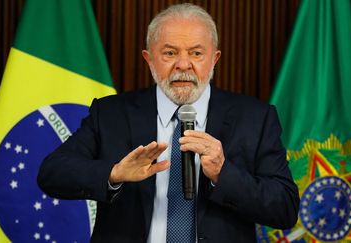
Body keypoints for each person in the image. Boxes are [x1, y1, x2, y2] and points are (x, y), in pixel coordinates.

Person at [38, 3, 299, 243]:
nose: (183, 64)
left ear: (214, 59)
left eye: (196, 53)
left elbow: (285, 209)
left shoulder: (254, 118)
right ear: (149, 58)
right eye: (169, 53)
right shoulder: (110, 114)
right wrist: (114, 173)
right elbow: (52, 174)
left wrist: (223, 173)